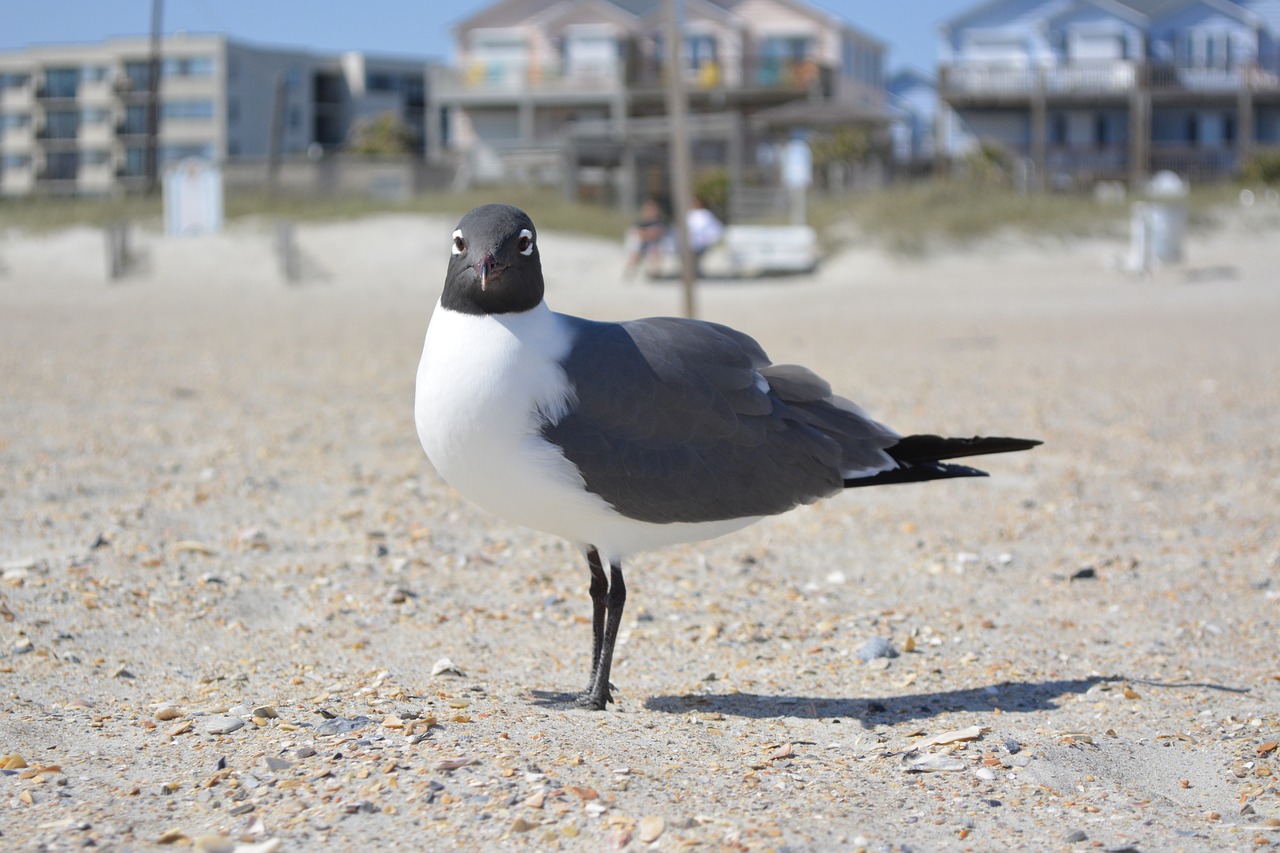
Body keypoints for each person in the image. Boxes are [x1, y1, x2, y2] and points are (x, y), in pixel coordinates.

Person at [623, 198, 668, 279]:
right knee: (636, 251)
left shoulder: (660, 221)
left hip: (654, 244)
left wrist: (647, 234)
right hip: (642, 243)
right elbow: (637, 233)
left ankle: (653, 272)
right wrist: (648, 234)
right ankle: (631, 270)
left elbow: (659, 232)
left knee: (654, 250)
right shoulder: (640, 221)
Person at [686, 196, 723, 276]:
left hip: (701, 242)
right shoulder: (688, 214)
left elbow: (714, 228)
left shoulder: (705, 214)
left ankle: (696, 271)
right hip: (690, 242)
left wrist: (710, 238)